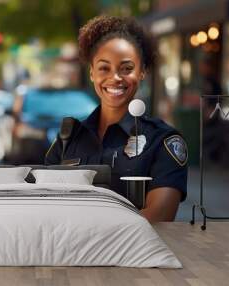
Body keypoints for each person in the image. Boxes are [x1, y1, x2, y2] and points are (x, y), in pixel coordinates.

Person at [45, 16, 188, 223]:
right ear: (92, 72)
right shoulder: (68, 139)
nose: (115, 77)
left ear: (142, 72)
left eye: (126, 68)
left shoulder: (163, 142)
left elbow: (159, 217)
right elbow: (45, 208)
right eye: (104, 68)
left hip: (132, 255)